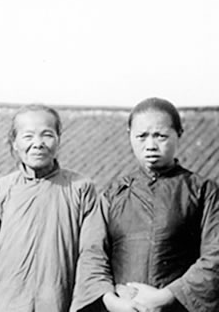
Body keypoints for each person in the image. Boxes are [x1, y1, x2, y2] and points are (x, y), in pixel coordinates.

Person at [70, 97, 219, 312]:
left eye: (160, 136)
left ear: (179, 134)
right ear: (129, 135)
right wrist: (112, 301)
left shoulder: (203, 191)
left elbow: (215, 255)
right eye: (142, 136)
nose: (150, 146)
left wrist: (166, 296)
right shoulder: (113, 194)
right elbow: (93, 254)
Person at [0, 104, 99, 312]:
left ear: (59, 140)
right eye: (28, 136)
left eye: (47, 135)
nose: (38, 144)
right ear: (14, 143)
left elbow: (92, 258)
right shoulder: (1, 192)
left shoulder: (81, 190)